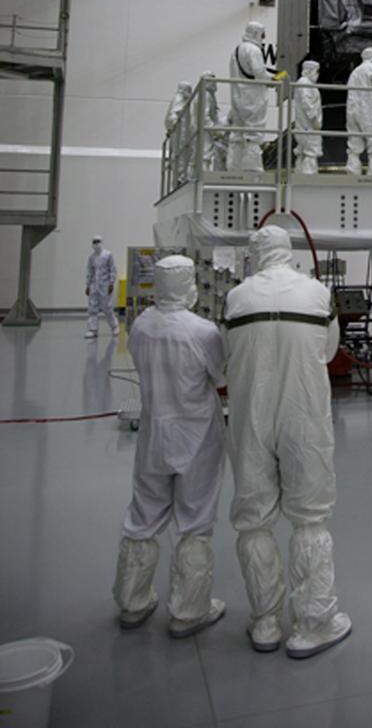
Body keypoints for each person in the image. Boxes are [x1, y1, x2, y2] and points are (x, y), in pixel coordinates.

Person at [224, 226, 351, 658]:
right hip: (304, 417)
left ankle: (265, 622)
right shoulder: (317, 293)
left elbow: (227, 354)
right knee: (310, 517)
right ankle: (314, 623)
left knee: (254, 519)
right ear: (288, 251)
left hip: (251, 419)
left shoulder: (236, 298)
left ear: (254, 255)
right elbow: (329, 352)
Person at [113, 255, 227, 636]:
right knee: (195, 521)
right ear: (188, 284)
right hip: (196, 437)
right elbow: (220, 376)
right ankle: (189, 612)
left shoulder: (141, 326)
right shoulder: (203, 332)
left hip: (153, 435)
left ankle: (132, 602)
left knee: (143, 515)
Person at [227, 21, 274, 172]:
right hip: (253, 98)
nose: (263, 38)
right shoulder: (254, 50)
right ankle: (252, 170)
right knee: (253, 135)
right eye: (262, 34)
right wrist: (273, 80)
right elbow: (259, 73)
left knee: (238, 135)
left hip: (238, 96)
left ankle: (234, 168)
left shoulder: (237, 50)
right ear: (256, 33)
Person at [345, 46, 372, 177]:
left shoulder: (355, 72)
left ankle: (352, 171)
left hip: (353, 111)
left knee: (354, 143)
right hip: (369, 110)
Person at [293, 59, 323, 175]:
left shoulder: (305, 83)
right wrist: (314, 119)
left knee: (303, 151)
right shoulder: (305, 83)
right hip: (308, 125)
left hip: (304, 124)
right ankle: (308, 177)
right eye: (316, 71)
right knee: (311, 151)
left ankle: (300, 174)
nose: (317, 74)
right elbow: (307, 103)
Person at [85, 235, 118, 339]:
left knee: (107, 307)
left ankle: (114, 326)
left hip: (105, 285)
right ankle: (93, 330)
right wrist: (88, 285)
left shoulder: (108, 255)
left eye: (97, 241)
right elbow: (90, 272)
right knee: (92, 308)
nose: (96, 244)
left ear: (101, 242)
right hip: (94, 286)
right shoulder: (92, 257)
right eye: (94, 242)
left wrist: (111, 283)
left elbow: (113, 269)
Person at [165, 81, 193, 184]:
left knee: (183, 153)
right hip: (180, 133)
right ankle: (180, 177)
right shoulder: (179, 99)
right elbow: (172, 115)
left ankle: (181, 176)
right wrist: (174, 124)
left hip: (183, 132)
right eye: (188, 90)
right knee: (180, 154)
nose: (190, 93)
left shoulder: (184, 101)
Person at [201, 72, 226, 170]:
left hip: (206, 129)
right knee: (205, 154)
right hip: (205, 130)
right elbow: (205, 116)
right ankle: (204, 174)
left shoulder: (207, 95)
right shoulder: (205, 95)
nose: (215, 83)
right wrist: (215, 130)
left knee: (207, 153)